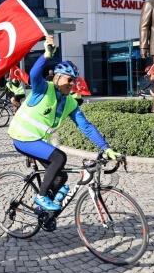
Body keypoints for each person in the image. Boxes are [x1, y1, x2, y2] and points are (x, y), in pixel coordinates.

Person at [7, 35, 121, 211]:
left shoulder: (69, 102)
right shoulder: (43, 89)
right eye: (69, 79)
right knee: (59, 157)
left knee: (60, 178)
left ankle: (43, 213)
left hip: (37, 141)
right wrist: (46, 55)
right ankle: (41, 197)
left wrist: (106, 148)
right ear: (57, 78)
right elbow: (34, 75)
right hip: (22, 138)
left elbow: (86, 127)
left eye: (74, 80)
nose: (72, 84)